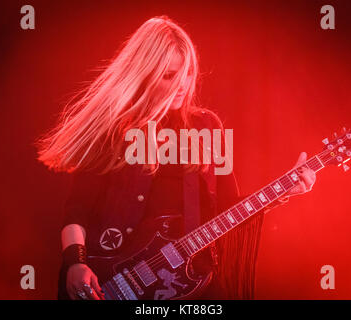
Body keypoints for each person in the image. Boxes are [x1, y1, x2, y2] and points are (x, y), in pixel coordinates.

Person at [35, 16, 316, 300]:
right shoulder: (112, 128)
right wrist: (76, 263)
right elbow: (77, 209)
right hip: (111, 279)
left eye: (188, 74)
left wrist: (285, 190)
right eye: (169, 76)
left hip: (188, 283)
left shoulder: (207, 127)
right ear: (144, 73)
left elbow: (229, 208)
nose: (181, 86)